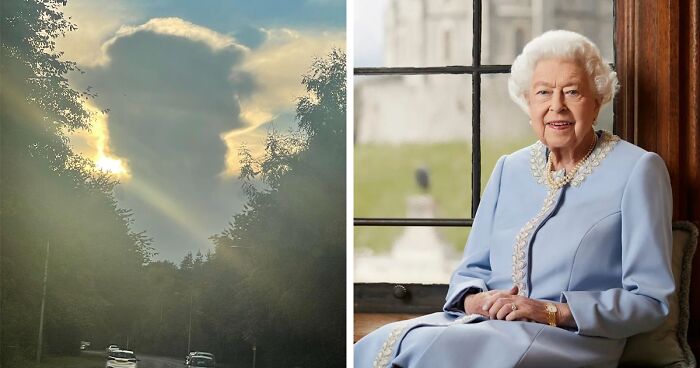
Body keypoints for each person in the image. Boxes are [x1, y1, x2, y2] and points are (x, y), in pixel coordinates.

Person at [354, 30, 675, 368]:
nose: (557, 106)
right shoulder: (510, 168)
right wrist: (476, 302)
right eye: (543, 93)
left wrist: (551, 311)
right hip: (486, 328)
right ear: (528, 104)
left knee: (427, 351)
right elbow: (470, 272)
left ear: (597, 101)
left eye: (572, 92)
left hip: (570, 342)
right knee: (378, 344)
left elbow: (652, 300)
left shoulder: (638, 169)